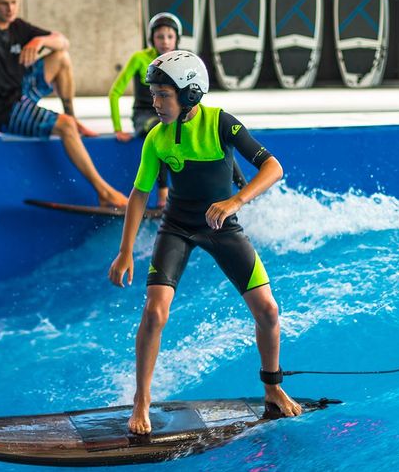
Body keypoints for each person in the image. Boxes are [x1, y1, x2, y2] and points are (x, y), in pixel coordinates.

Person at [107, 50, 302, 435]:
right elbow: (139, 195)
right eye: (154, 94)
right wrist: (126, 250)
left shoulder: (220, 123)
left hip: (222, 225)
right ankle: (141, 400)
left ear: (191, 94)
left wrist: (234, 202)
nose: (156, 103)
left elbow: (273, 167)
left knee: (267, 310)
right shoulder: (156, 139)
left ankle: (273, 388)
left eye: (164, 94)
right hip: (177, 226)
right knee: (154, 312)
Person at [0, 0, 128, 207]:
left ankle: (74, 119)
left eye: (14, 3)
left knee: (61, 57)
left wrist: (39, 41)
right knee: (64, 126)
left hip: (21, 92)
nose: (10, 9)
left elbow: (62, 41)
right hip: (3, 110)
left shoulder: (18, 27)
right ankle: (104, 192)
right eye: (4, 4)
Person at [108, 13, 245, 209]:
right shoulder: (140, 58)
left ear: (177, 39)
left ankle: (242, 188)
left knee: (217, 135)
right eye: (159, 37)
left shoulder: (182, 59)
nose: (165, 41)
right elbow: (115, 92)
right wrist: (117, 127)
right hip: (146, 115)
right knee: (163, 129)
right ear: (151, 38)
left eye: (170, 37)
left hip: (175, 113)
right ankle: (163, 196)